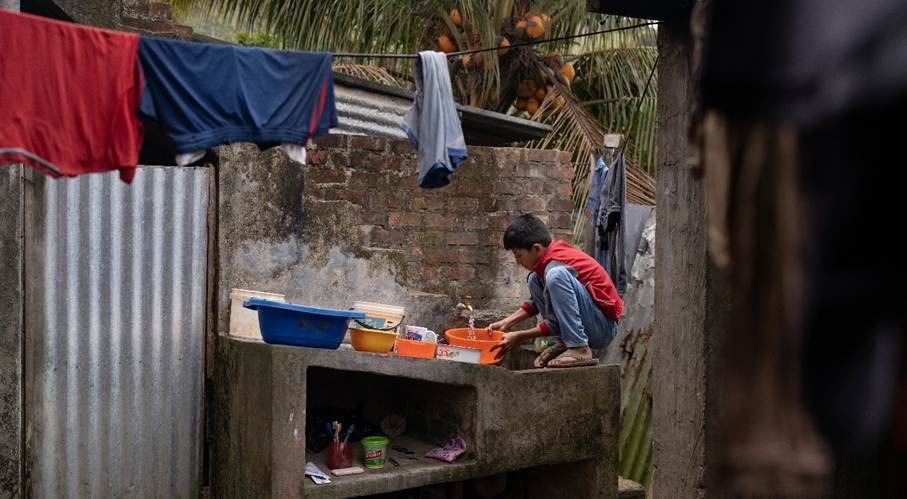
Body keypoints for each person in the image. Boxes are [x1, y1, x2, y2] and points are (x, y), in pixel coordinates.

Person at [489, 214, 623, 367]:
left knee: (555, 276)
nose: (518, 262)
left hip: (603, 327)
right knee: (534, 279)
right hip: (591, 322)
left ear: (536, 248)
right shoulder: (546, 261)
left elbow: (553, 323)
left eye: (519, 256)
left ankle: (579, 347)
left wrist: (519, 336)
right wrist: (506, 323)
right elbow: (535, 304)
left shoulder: (555, 267)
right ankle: (567, 342)